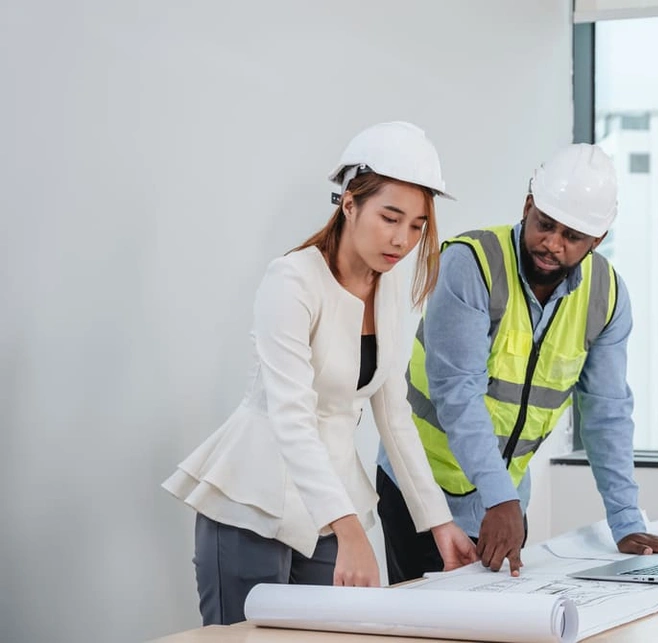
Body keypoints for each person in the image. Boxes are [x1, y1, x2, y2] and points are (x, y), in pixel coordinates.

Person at [162, 122, 478, 624]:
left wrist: (439, 523)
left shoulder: (389, 288)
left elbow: (394, 416)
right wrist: (352, 531)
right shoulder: (291, 280)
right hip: (255, 496)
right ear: (348, 204)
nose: (402, 239)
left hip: (329, 506)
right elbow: (291, 416)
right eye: (390, 217)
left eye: (417, 225)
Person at [377, 143, 658, 583]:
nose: (552, 244)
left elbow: (606, 414)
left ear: (598, 240)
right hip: (422, 492)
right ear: (528, 204)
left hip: (507, 501)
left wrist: (627, 521)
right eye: (545, 224)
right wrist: (501, 501)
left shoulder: (606, 296)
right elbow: (457, 394)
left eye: (572, 236)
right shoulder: (471, 264)